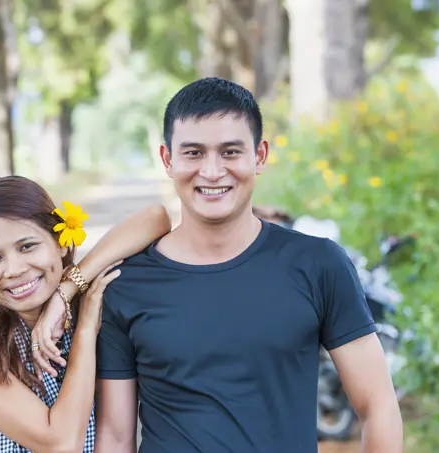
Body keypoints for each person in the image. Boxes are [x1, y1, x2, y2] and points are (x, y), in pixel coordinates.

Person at [87, 77, 403, 452]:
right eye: (193, 153)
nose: (212, 171)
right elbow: (116, 435)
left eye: (231, 152)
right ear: (168, 160)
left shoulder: (318, 264)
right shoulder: (127, 285)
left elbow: (377, 405)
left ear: (260, 156)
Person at [0, 175, 172, 453]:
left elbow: (155, 218)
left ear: (61, 241)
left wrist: (67, 291)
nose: (13, 269)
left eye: (27, 246)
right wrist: (85, 332)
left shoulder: (90, 305)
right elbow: (61, 444)